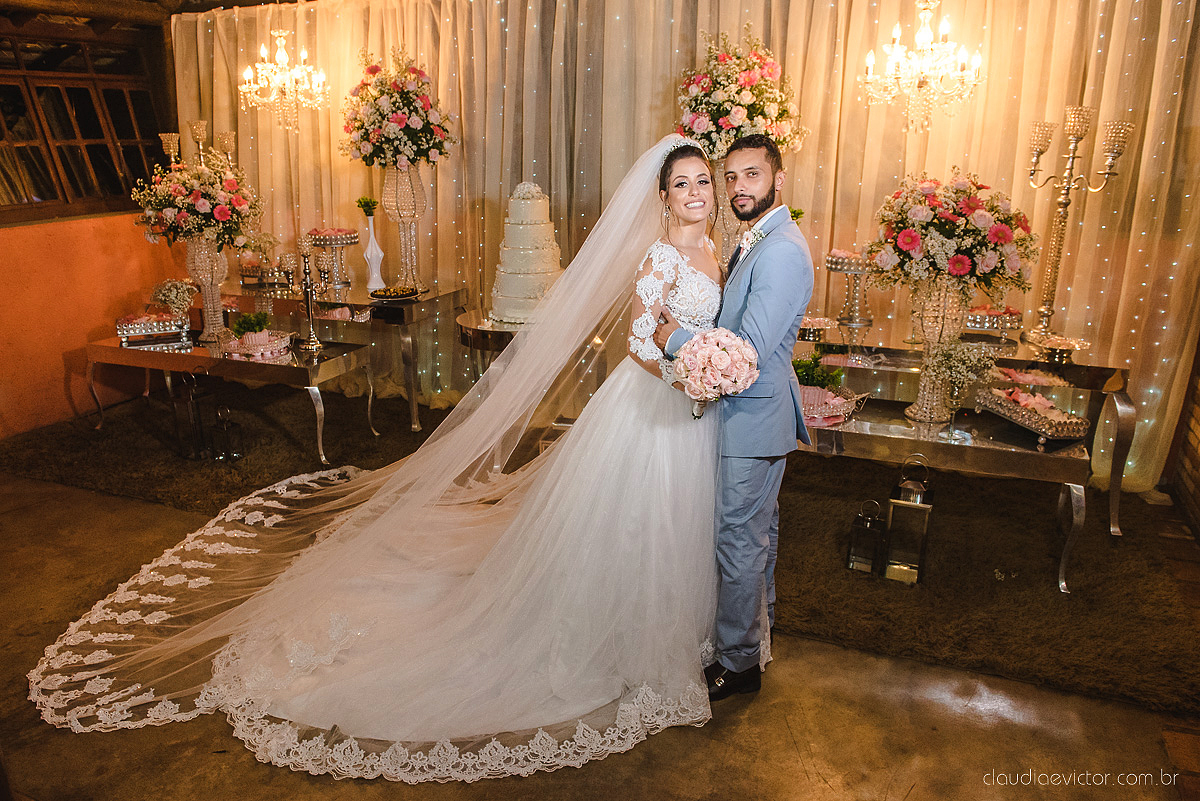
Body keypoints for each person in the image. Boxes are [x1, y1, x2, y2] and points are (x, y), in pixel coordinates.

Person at [29, 136, 732, 784]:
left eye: (704, 180)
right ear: (663, 196)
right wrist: (687, 367)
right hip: (653, 404)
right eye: (683, 183)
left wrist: (712, 362)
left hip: (692, 412)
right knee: (639, 522)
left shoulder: (714, 250)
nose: (697, 192)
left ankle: (676, 635)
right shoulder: (660, 257)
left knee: (678, 525)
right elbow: (641, 343)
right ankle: (625, 643)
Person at [655, 133, 813, 702]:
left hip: (753, 420)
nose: (739, 186)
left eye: (752, 174)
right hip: (746, 417)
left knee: (738, 540)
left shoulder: (783, 251)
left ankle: (739, 663)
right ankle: (757, 637)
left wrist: (675, 339)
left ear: (777, 178)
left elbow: (745, 347)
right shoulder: (755, 240)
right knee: (755, 535)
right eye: (732, 177)